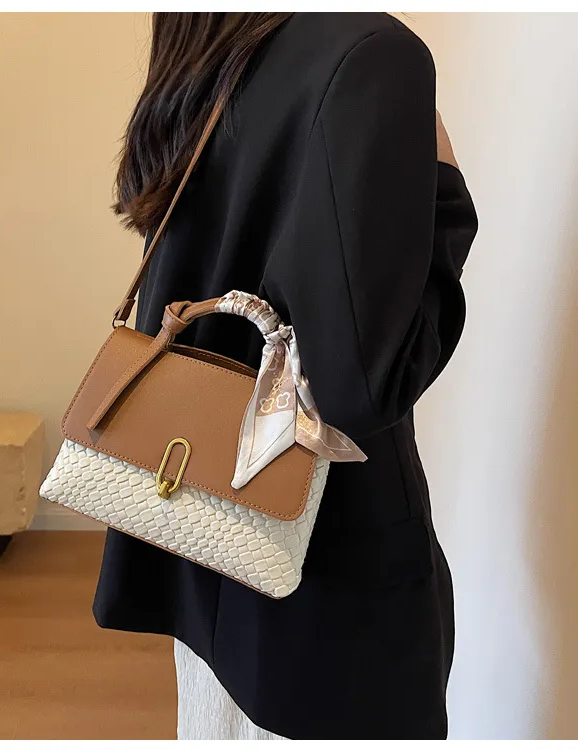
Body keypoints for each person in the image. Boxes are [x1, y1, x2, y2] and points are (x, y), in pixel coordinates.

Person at [93, 11, 478, 740]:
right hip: (322, 581)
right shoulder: (376, 55)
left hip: (199, 534)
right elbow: (360, 388)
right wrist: (447, 192)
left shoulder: (207, 40)